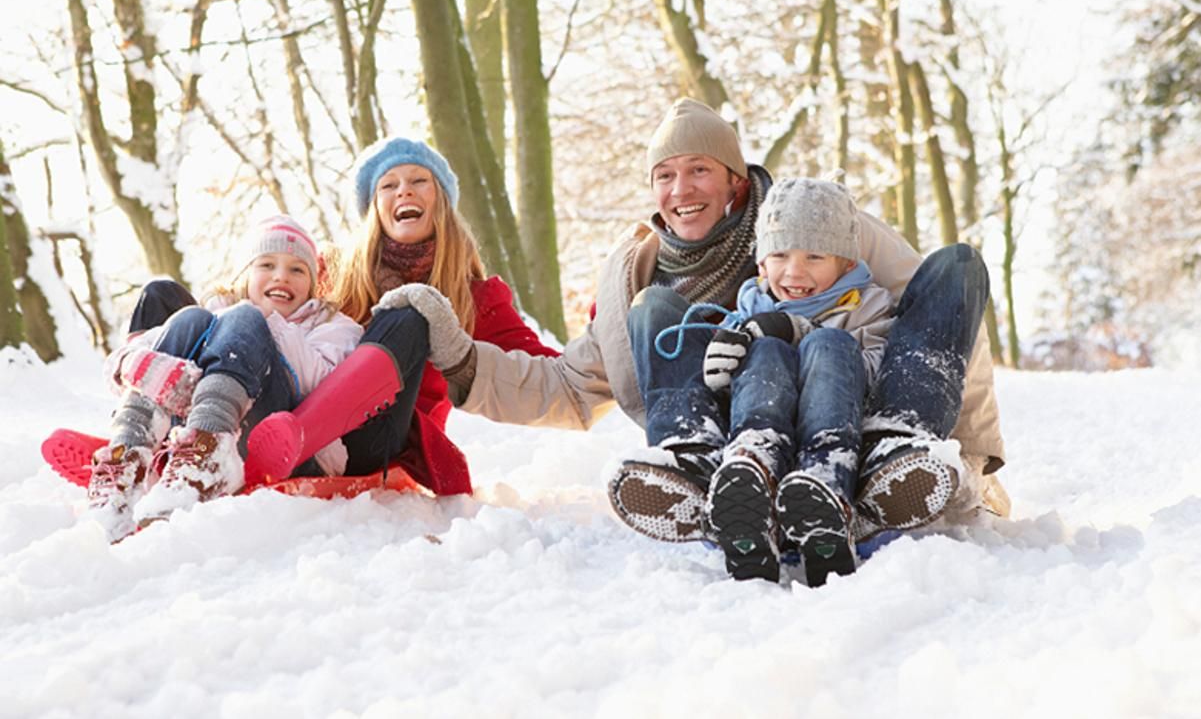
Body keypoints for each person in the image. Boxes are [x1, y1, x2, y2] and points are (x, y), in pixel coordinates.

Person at [393, 98, 1008, 545]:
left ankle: (893, 454)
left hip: (850, 409)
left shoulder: (814, 224)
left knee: (955, 267)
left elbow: (941, 323)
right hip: (734, 438)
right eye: (665, 175)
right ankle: (699, 467)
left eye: (699, 170)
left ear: (735, 182)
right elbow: (568, 389)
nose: (681, 188)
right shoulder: (632, 273)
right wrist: (458, 356)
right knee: (654, 313)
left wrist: (976, 456)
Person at [240, 137, 559, 495]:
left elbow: (547, 375)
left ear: (440, 199)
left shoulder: (475, 298)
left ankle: (296, 438)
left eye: (419, 181)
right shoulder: (332, 270)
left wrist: (608, 332)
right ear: (375, 207)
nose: (404, 191)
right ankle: (190, 444)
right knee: (168, 297)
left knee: (411, 309)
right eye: (388, 185)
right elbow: (267, 308)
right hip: (288, 416)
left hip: (377, 441)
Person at [656, 178, 894, 584]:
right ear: (762, 264)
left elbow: (875, 374)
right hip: (766, 432)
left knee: (830, 344)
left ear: (847, 264)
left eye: (815, 256)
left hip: (833, 437)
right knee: (764, 351)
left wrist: (797, 329)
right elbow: (730, 391)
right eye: (780, 254)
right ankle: (751, 479)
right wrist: (723, 369)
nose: (795, 271)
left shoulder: (867, 306)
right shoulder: (749, 310)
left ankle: (824, 492)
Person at [86, 215, 363, 541]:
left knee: (243, 318)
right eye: (267, 265)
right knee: (189, 319)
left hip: (287, 435)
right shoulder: (214, 312)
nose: (281, 276)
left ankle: (208, 454)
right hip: (190, 430)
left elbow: (323, 383)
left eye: (297, 269)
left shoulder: (330, 323)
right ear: (245, 274)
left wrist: (261, 320)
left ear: (313, 283)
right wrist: (135, 364)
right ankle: (126, 464)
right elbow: (121, 364)